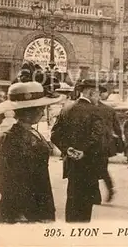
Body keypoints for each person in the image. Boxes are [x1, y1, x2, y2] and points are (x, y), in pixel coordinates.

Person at [0, 81, 64, 223]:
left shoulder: (31, 132)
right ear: (28, 111)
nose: (41, 112)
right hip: (24, 212)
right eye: (39, 108)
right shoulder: (10, 139)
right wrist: (21, 214)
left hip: (39, 204)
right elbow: (8, 181)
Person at [50, 79, 106, 222]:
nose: (99, 98)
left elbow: (54, 135)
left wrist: (67, 149)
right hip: (89, 163)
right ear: (91, 93)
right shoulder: (96, 110)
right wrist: (83, 151)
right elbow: (97, 136)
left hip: (71, 163)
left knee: (73, 198)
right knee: (85, 205)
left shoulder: (66, 109)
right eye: (98, 94)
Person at [96, 89, 124, 202]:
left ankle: (100, 193)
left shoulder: (90, 109)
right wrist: (120, 141)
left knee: (95, 169)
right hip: (104, 144)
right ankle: (109, 188)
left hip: (96, 144)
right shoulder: (109, 109)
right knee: (103, 168)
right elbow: (117, 128)